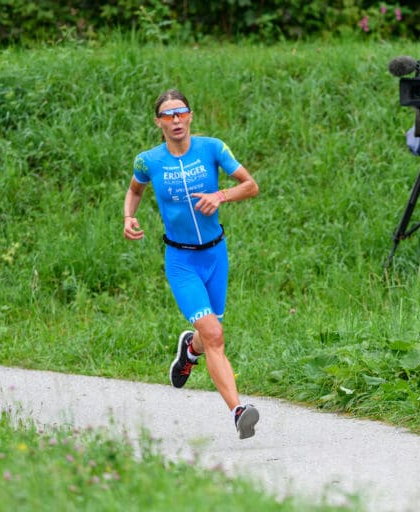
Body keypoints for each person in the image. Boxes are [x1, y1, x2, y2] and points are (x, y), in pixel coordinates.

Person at [123, 89, 261, 439]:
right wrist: (128, 216)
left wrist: (221, 195)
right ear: (159, 122)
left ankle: (189, 349)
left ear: (190, 116)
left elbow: (250, 185)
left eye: (180, 113)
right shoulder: (148, 160)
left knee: (207, 336)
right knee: (215, 334)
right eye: (168, 115)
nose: (175, 120)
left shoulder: (212, 148)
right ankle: (238, 411)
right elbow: (136, 190)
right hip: (181, 259)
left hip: (216, 256)